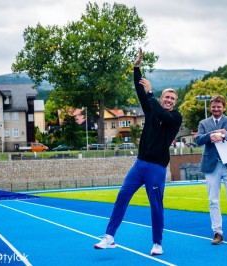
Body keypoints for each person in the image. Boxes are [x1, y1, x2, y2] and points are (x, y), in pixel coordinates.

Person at [94, 48, 182, 255]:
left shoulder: (175, 118)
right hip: (140, 164)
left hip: (156, 168)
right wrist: (136, 67)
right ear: (162, 98)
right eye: (166, 97)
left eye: (172, 98)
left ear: (174, 103)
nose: (169, 100)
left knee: (155, 206)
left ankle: (157, 243)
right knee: (122, 196)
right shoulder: (152, 107)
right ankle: (109, 236)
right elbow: (139, 89)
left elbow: (161, 114)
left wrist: (151, 93)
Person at [195, 95, 227, 245]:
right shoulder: (203, 123)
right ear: (210, 107)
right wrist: (212, 135)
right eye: (213, 107)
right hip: (211, 165)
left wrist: (223, 135)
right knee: (213, 200)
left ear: (223, 107)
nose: (216, 109)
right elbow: (198, 140)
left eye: (219, 107)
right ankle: (217, 232)